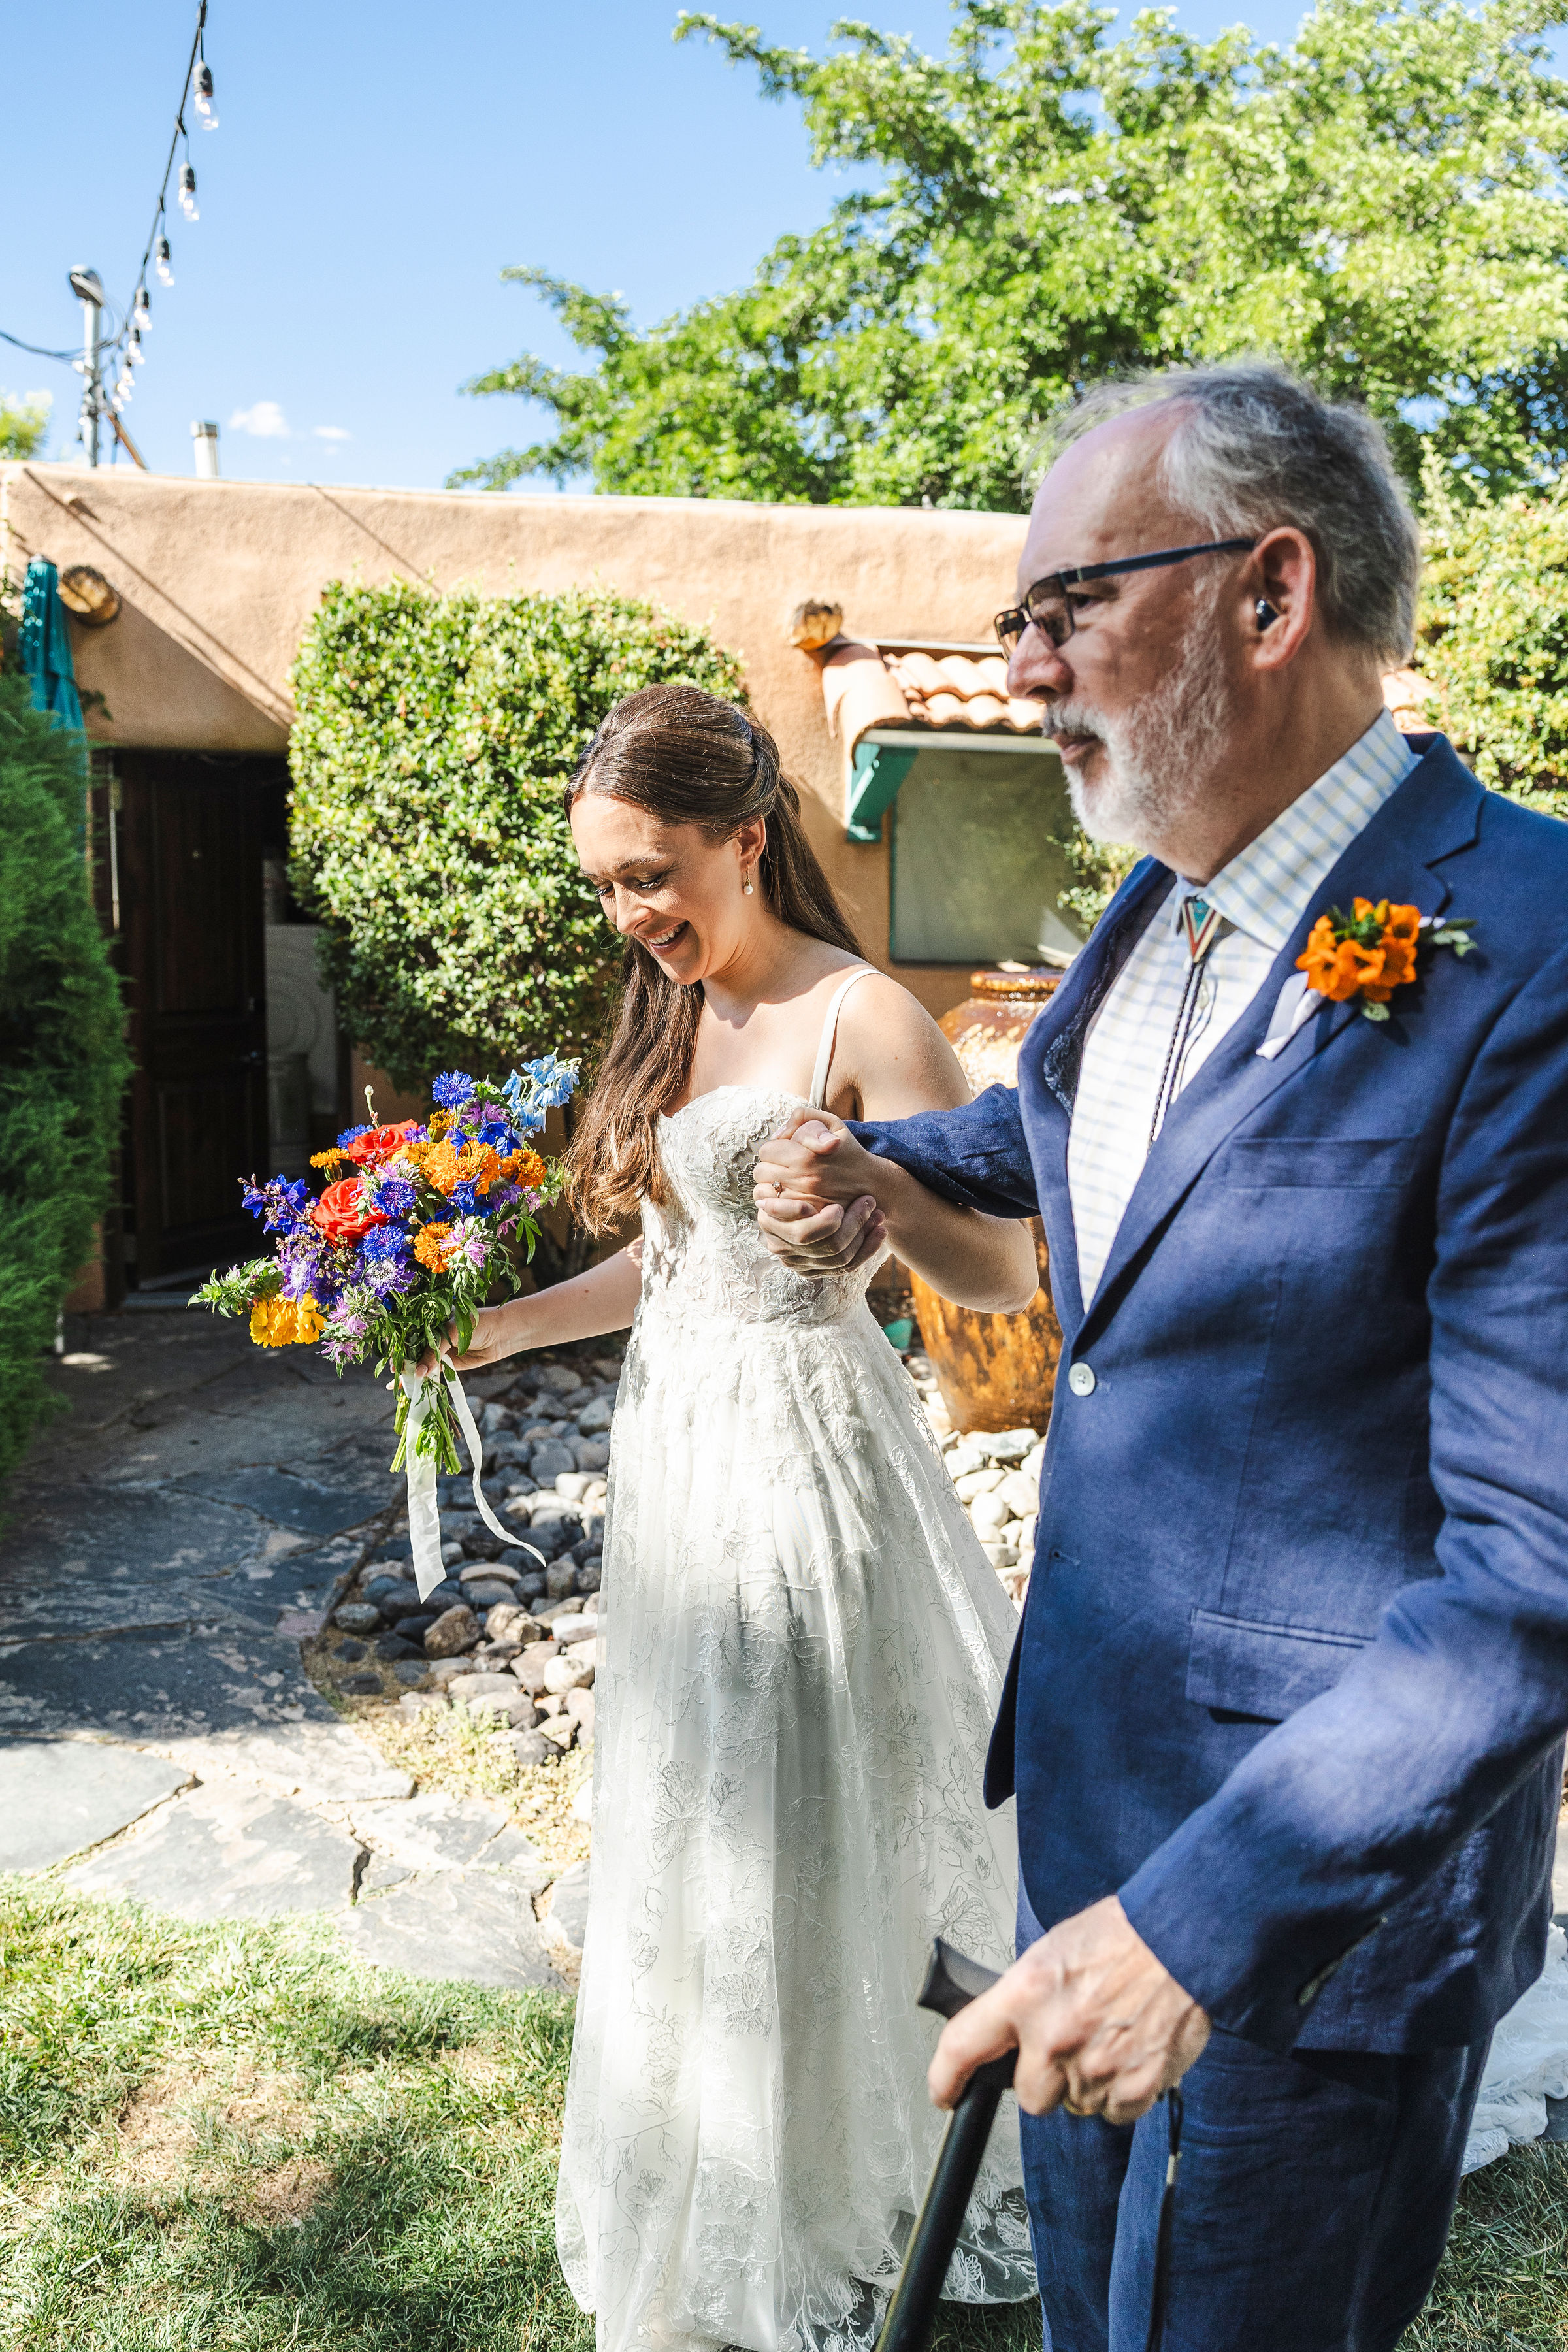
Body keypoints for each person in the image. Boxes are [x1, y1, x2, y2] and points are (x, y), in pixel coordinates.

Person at [753, 363, 1568, 2352]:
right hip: (1092, 1809)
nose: (1024, 670)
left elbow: (1535, 1573)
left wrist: (1197, 1936)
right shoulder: (1163, 905)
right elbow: (1082, 1142)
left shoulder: (1532, 948)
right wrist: (882, 1158)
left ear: (1267, 595)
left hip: (1302, 1921)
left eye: (1062, 613)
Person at [420, 681, 1039, 2352]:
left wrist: (883, 1203)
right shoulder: (668, 1015)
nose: (632, 915)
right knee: (706, 1809)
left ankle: (851, 2157)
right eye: (606, 887)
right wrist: (489, 1328)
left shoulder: (863, 1015)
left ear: (744, 839)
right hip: (682, 1470)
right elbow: (673, 1262)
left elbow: (1002, 1267)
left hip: (805, 1470)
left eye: (653, 875)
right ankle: (721, 2149)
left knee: (803, 1797)